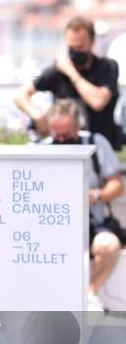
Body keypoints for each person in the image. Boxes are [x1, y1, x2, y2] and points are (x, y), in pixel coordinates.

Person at [42, 99, 124, 310]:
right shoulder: (43, 149)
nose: (61, 139)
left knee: (109, 245)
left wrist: (94, 196)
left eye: (66, 134)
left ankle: (89, 294)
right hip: (53, 224)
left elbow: (117, 186)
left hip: (94, 221)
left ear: (79, 126)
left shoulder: (96, 143)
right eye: (56, 134)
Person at [14, 16, 122, 150]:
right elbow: (20, 95)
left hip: (100, 147)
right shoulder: (57, 72)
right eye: (72, 47)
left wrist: (71, 72)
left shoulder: (106, 67)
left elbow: (98, 102)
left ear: (92, 42)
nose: (76, 51)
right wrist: (37, 115)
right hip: (65, 147)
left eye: (80, 46)